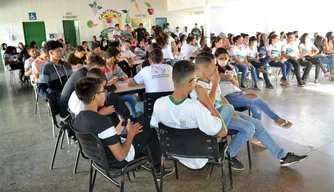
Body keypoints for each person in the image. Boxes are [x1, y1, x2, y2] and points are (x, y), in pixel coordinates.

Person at [190, 52, 308, 169]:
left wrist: (235, 114)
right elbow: (206, 108)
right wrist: (216, 83)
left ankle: (283, 156)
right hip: (214, 117)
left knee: (257, 124)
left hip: (225, 112)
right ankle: (229, 154)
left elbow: (222, 98)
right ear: (204, 69)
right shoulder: (196, 85)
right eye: (213, 66)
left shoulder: (210, 80)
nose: (216, 68)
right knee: (249, 128)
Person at [72, 77, 174, 178]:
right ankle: (157, 170)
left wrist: (117, 133)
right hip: (119, 161)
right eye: (103, 91)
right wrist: (130, 134)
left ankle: (147, 158)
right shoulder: (103, 122)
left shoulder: (77, 119)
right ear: (96, 96)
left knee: (140, 121)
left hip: (100, 159)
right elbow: (121, 156)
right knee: (149, 128)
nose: (105, 94)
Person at [150, 60, 228, 169]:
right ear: (191, 82)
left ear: (173, 79)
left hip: (173, 152)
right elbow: (223, 132)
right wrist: (207, 101)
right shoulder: (196, 107)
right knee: (226, 112)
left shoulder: (158, 103)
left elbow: (155, 128)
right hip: (199, 157)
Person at [215, 48, 292, 128]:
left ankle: (257, 133)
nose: (224, 60)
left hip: (236, 92)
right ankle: (276, 119)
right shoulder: (213, 69)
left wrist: (231, 78)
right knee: (254, 97)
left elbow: (236, 84)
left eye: (226, 58)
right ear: (216, 58)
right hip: (225, 96)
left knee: (256, 107)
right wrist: (218, 77)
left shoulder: (231, 68)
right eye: (221, 59)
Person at [59, 55, 106, 124]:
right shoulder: (83, 76)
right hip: (69, 111)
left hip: (75, 105)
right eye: (101, 70)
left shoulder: (84, 71)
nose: (102, 72)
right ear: (95, 67)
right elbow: (93, 92)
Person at [128, 48, 174, 114]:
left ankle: (137, 122)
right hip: (170, 107)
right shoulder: (169, 68)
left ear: (149, 60)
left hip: (152, 108)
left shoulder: (145, 70)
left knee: (137, 106)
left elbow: (130, 84)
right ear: (163, 60)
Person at [103, 47, 138, 117]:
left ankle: (134, 118)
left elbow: (123, 74)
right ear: (112, 58)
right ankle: (126, 118)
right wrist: (109, 82)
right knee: (130, 98)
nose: (118, 59)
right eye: (117, 57)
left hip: (117, 91)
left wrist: (123, 77)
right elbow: (100, 84)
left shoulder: (114, 65)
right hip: (106, 96)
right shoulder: (101, 67)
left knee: (133, 97)